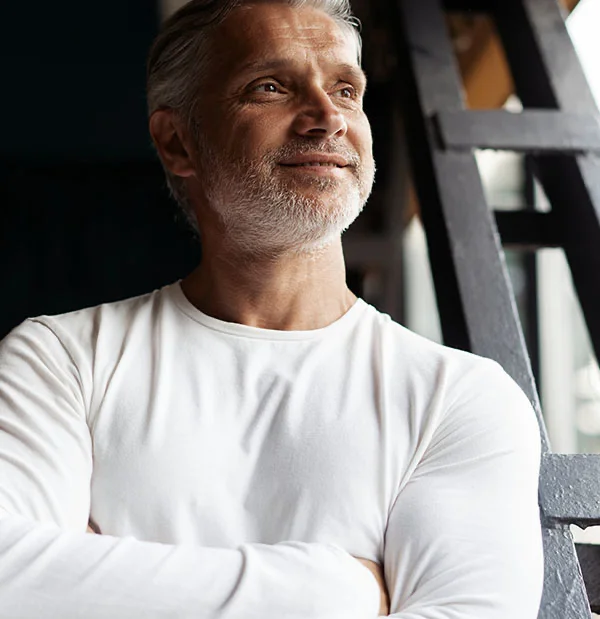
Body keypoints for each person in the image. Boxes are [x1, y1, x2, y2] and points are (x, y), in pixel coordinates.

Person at [0, 0, 543, 617]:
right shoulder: (62, 361)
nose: (327, 118)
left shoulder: (459, 398)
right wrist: (337, 590)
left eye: (346, 89)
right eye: (271, 87)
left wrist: (94, 580)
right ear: (178, 141)